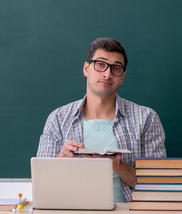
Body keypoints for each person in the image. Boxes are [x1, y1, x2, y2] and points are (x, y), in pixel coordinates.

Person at [36, 38, 166, 202]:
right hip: (72, 212)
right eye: (100, 64)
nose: (107, 74)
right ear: (86, 68)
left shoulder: (146, 118)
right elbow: (41, 183)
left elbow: (158, 185)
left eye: (116, 68)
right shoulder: (58, 119)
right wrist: (60, 159)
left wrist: (117, 166)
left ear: (122, 77)